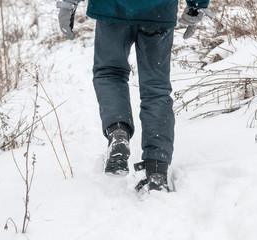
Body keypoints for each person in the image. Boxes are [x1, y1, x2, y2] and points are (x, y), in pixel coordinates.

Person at [57, 0, 211, 192]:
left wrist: (68, 4)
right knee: (156, 88)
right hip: (158, 12)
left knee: (109, 73)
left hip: (113, 9)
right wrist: (196, 5)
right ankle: (157, 171)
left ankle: (118, 132)